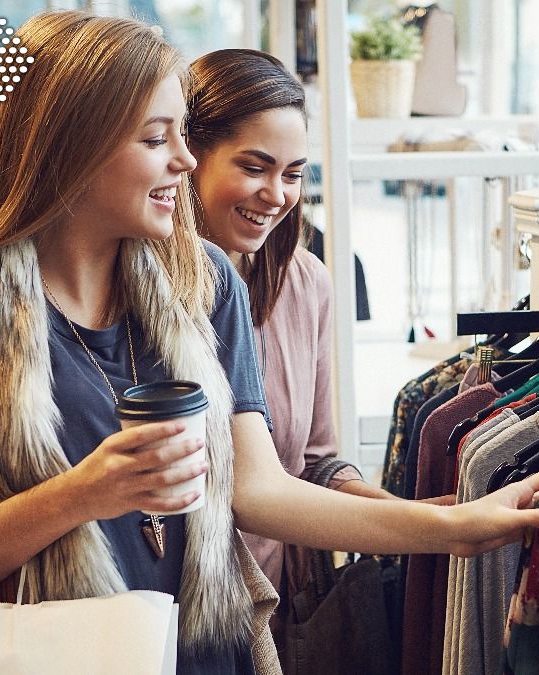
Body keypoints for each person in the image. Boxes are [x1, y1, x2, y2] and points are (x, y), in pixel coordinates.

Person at [0, 10, 539, 675]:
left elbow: (262, 490)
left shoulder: (204, 278)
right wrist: (80, 495)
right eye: (157, 138)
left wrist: (460, 524)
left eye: (183, 134)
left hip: (211, 652)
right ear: (70, 147)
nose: (185, 162)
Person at [185, 49, 436, 599]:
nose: (276, 196)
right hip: (162, 609)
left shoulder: (305, 284)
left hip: (267, 606)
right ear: (190, 155)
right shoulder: (138, 287)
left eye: (292, 174)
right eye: (254, 168)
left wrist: (418, 517)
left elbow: (315, 463)